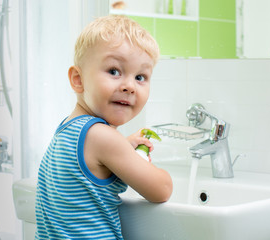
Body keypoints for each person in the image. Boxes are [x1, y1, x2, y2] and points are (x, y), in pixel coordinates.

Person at [35, 15, 173, 240]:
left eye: (140, 77)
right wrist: (144, 163)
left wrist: (124, 145)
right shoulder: (102, 137)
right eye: (114, 71)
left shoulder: (67, 129)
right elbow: (162, 189)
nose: (129, 86)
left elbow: (90, 166)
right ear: (78, 79)